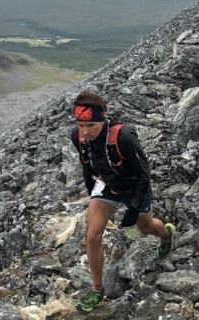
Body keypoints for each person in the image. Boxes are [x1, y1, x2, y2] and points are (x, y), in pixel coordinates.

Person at [70, 89, 176, 313]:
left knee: (145, 227)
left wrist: (135, 204)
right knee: (92, 234)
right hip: (107, 183)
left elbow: (144, 174)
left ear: (104, 116)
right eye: (81, 125)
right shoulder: (77, 136)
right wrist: (90, 185)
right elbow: (87, 162)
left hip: (134, 184)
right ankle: (98, 291)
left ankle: (166, 235)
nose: (85, 132)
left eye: (91, 126)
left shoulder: (124, 137)